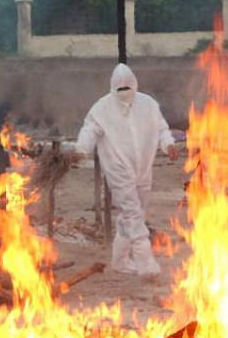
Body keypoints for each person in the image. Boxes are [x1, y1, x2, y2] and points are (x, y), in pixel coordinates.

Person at [74, 63, 178, 276]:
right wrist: (80, 150)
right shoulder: (101, 108)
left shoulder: (148, 104)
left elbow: (161, 128)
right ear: (113, 88)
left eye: (127, 88)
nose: (124, 93)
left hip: (143, 166)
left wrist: (168, 144)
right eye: (120, 89)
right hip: (117, 168)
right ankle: (145, 261)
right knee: (132, 212)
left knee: (133, 212)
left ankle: (120, 259)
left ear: (135, 86)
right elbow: (89, 130)